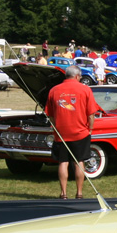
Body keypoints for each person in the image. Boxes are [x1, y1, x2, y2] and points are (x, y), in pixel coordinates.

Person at [44, 65, 100, 199]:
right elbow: (91, 114)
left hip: (61, 133)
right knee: (79, 161)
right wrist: (90, 129)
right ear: (77, 76)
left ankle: (63, 193)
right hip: (80, 132)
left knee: (63, 162)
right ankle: (79, 193)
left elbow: (50, 115)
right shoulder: (85, 89)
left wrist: (56, 128)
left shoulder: (54, 90)